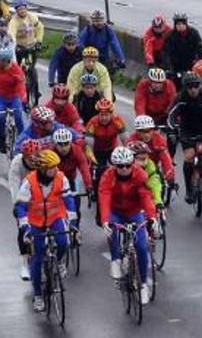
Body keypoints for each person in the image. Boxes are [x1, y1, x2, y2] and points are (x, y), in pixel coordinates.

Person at [14, 150, 78, 312]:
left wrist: (72, 222)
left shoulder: (61, 178)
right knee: (38, 256)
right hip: (35, 222)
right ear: (42, 169)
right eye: (51, 167)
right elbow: (20, 208)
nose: (55, 170)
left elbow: (68, 200)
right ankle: (38, 296)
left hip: (55, 217)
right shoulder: (29, 182)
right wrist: (26, 228)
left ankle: (60, 262)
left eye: (56, 166)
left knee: (64, 242)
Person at [98, 146, 156, 305]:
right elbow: (104, 199)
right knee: (111, 230)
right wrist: (105, 221)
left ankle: (143, 284)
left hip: (134, 211)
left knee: (142, 247)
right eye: (120, 166)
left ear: (132, 164)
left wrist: (152, 217)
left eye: (128, 165)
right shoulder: (107, 176)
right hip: (115, 211)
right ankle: (115, 259)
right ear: (114, 166)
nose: (124, 169)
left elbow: (146, 198)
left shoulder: (140, 175)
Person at [167, 72, 202, 204]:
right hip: (187, 131)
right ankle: (189, 190)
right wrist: (173, 128)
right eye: (190, 87)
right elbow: (171, 115)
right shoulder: (180, 98)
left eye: (196, 86)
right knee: (189, 156)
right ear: (185, 88)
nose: (193, 89)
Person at [8, 140, 42, 280]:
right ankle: (25, 263)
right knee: (23, 229)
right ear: (24, 157)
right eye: (30, 159)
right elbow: (14, 188)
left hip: (41, 197)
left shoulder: (43, 161)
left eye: (36, 158)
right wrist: (19, 208)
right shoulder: (16, 164)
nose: (34, 163)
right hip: (24, 198)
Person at [0, 48, 27, 154]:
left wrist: (23, 97)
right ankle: (1, 138)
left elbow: (21, 85)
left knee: (18, 115)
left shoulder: (16, 70)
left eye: (0, 61)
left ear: (7, 61)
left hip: (14, 96)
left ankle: (23, 140)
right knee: (1, 117)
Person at [128, 115, 176, 198]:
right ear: (137, 131)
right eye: (143, 131)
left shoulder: (159, 139)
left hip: (154, 164)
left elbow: (166, 159)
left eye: (149, 131)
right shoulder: (131, 140)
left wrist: (170, 177)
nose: (146, 135)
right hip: (137, 165)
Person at [52, 128, 93, 205]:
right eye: (60, 144)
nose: (63, 148)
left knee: (75, 202)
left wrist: (88, 185)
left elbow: (84, 168)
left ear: (70, 143)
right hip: (54, 180)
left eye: (66, 143)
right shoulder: (50, 152)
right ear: (55, 144)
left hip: (70, 178)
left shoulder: (76, 151)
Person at [162, 13, 202, 81]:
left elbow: (200, 49)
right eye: (178, 24)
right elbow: (165, 53)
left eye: (182, 24)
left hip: (191, 65)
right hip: (176, 66)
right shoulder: (170, 36)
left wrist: (198, 64)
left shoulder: (194, 33)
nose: (180, 26)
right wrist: (169, 68)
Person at [8, 0, 43, 67]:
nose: (22, 11)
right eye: (20, 9)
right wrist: (14, 45)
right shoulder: (14, 21)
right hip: (20, 47)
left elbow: (40, 28)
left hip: (32, 44)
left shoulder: (32, 17)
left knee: (32, 66)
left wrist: (39, 41)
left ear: (26, 9)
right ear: (16, 11)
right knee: (16, 66)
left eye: (24, 9)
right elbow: (11, 33)